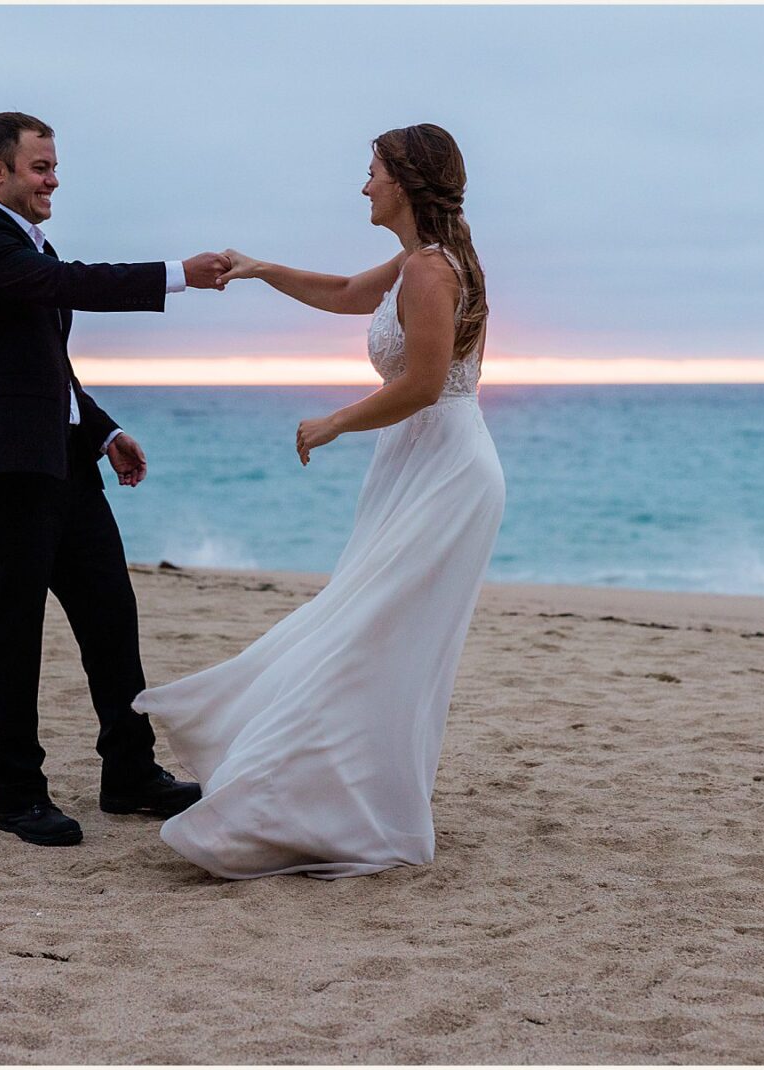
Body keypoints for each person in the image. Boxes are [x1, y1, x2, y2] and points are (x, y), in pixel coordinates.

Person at [132, 123, 505, 879]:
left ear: (404, 182)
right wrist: (260, 268)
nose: (364, 185)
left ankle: (323, 806)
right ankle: (333, 802)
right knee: (367, 632)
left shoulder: (431, 270)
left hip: (448, 472)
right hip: (416, 462)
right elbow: (342, 294)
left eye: (372, 172)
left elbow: (425, 384)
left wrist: (334, 422)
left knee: (369, 636)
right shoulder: (415, 261)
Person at [0, 111, 229, 846]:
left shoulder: (28, 246)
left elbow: (48, 369)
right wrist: (178, 275)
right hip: (7, 470)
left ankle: (128, 773)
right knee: (13, 632)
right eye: (41, 167)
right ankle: (19, 796)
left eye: (54, 167)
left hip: (65, 464)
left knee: (110, 617)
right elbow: (70, 283)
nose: (54, 180)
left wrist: (103, 432)